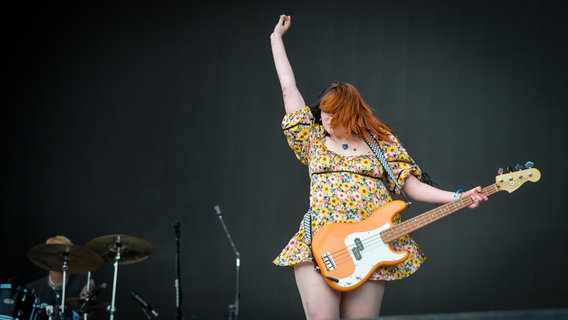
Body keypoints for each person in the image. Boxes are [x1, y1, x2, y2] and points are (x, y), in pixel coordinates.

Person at [270, 14, 488, 320]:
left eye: (336, 115)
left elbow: (410, 186)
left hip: (370, 247)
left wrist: (458, 196)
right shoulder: (312, 136)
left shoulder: (381, 141)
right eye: (325, 113)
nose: (328, 120)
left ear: (353, 113)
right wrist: (275, 40)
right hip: (319, 240)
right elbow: (288, 89)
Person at [26, 235, 97, 320]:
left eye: (65, 254)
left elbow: (87, 316)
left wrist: (86, 302)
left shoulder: (83, 280)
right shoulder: (32, 290)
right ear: (46, 258)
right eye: (55, 252)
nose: (60, 257)